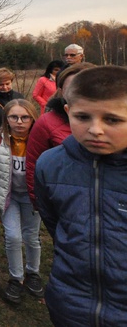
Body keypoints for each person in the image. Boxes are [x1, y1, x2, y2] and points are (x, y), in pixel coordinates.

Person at [35, 65, 127, 326]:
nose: (95, 129)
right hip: (70, 303)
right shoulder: (50, 164)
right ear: (67, 112)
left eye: (112, 119)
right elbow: (55, 222)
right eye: (83, 117)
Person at [0, 99, 43, 305]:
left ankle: (33, 272)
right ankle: (16, 277)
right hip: (8, 197)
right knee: (13, 237)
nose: (19, 122)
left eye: (25, 117)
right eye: (13, 117)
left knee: (32, 236)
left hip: (32, 197)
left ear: (33, 118)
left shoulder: (41, 140)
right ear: (6, 119)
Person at [24, 63, 96, 208]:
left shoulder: (118, 120)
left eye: (86, 86)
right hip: (69, 204)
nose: (79, 92)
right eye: (72, 88)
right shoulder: (47, 123)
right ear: (61, 91)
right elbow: (33, 165)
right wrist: (38, 201)